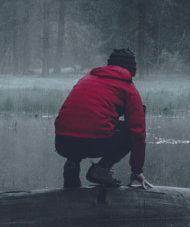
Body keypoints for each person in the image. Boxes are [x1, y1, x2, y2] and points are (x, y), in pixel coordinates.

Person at [54, 47, 149, 189]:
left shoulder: (87, 78)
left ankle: (72, 165)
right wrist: (137, 170)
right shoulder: (128, 87)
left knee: (81, 124)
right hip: (94, 142)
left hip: (62, 142)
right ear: (131, 70)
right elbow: (138, 132)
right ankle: (101, 170)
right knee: (128, 132)